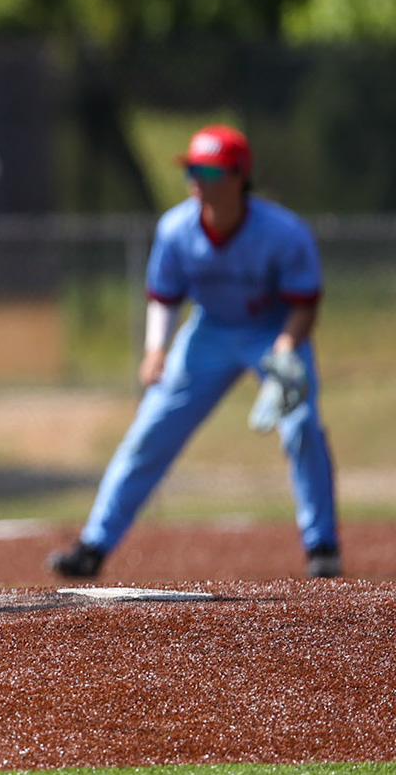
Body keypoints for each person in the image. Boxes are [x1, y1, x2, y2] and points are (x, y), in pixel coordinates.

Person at [49, 124, 340, 581]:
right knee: (150, 430)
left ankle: (322, 545)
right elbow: (164, 296)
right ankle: (94, 544)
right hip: (209, 331)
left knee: (302, 426)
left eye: (209, 169)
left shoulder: (284, 233)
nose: (197, 179)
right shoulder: (176, 228)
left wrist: (285, 351)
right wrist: (155, 350)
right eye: (192, 168)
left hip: (273, 330)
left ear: (240, 176)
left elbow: (305, 304)